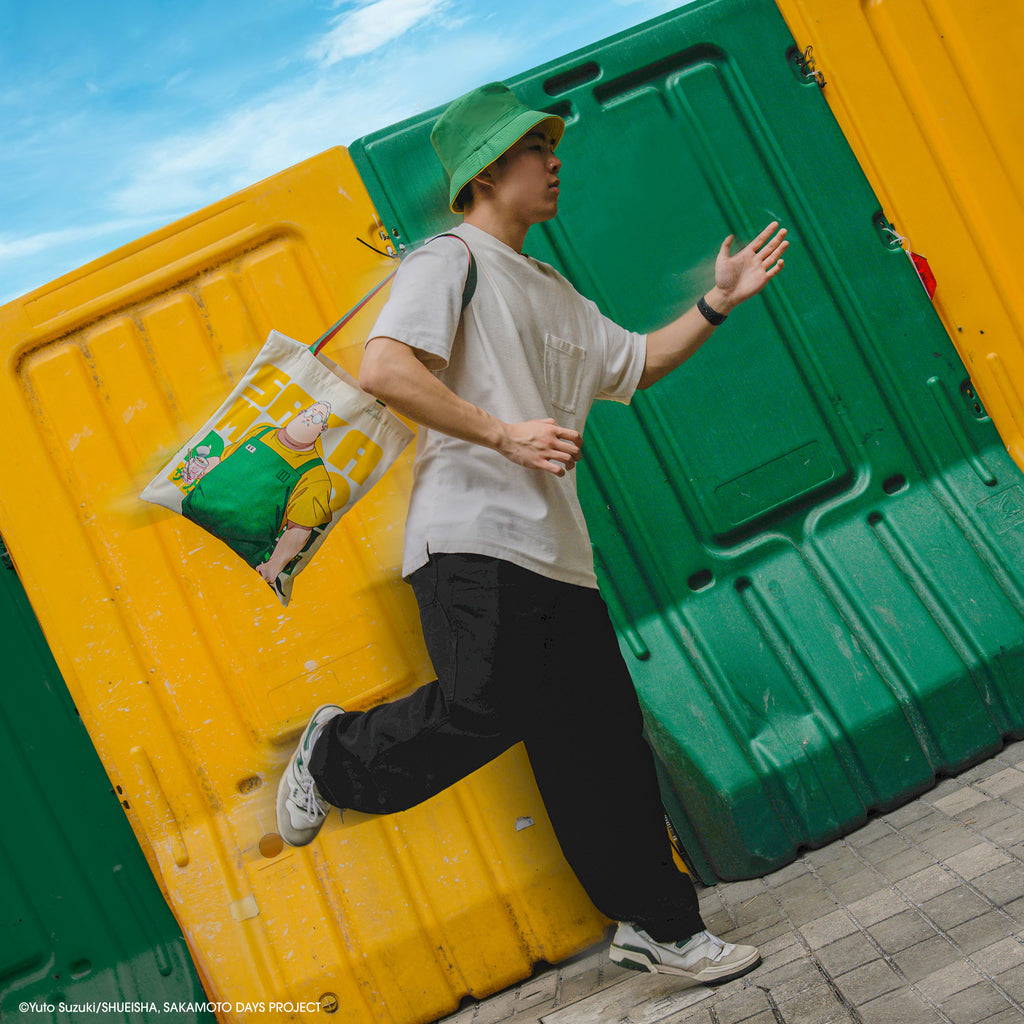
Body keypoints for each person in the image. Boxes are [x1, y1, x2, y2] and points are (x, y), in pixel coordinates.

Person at [276, 81, 787, 985]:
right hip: (472, 541)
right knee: (486, 705)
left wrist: (718, 302)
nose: (555, 164)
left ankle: (656, 924)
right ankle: (336, 752)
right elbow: (387, 366)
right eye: (535, 151)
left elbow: (635, 362)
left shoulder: (549, 287)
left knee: (603, 748)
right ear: (487, 172)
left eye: (554, 150)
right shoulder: (447, 258)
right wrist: (503, 431)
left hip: (560, 558)